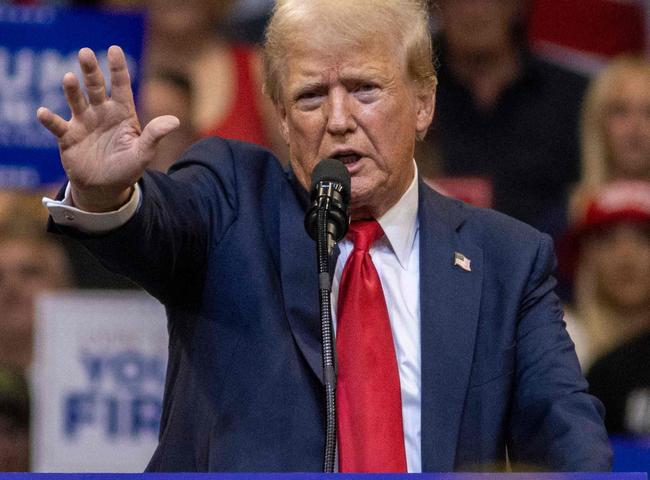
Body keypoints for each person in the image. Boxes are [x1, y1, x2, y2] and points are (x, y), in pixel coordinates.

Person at [37, 0, 610, 472]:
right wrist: (107, 195)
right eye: (311, 96)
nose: (338, 120)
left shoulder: (507, 260)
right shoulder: (232, 200)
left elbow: (571, 447)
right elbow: (159, 224)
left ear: (423, 103)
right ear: (283, 120)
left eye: (364, 89)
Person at [418, 0, 587, 238]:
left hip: (548, 262)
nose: (473, 10)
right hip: (427, 257)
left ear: (517, 6)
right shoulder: (405, 94)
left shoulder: (574, 98)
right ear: (436, 7)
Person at [559, 181, 650, 371]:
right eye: (607, 238)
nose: (626, 255)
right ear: (585, 256)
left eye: (644, 236)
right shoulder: (561, 340)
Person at [580, 56, 650, 187]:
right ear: (598, 122)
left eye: (648, 113)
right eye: (620, 111)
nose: (635, 127)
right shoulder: (572, 208)